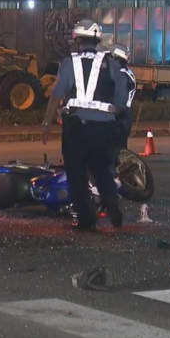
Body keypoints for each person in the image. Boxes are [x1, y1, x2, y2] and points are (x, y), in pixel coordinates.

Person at [41, 19, 129, 231]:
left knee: (77, 174)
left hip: (76, 129)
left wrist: (47, 123)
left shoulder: (69, 62)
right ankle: (113, 208)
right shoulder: (111, 63)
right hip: (104, 128)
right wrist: (111, 114)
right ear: (97, 40)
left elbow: (56, 95)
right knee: (103, 171)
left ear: (77, 40)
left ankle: (86, 220)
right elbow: (121, 99)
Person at [112, 43, 136, 150]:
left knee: (116, 150)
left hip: (119, 116)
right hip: (126, 114)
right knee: (121, 148)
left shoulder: (120, 74)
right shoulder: (128, 72)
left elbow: (118, 99)